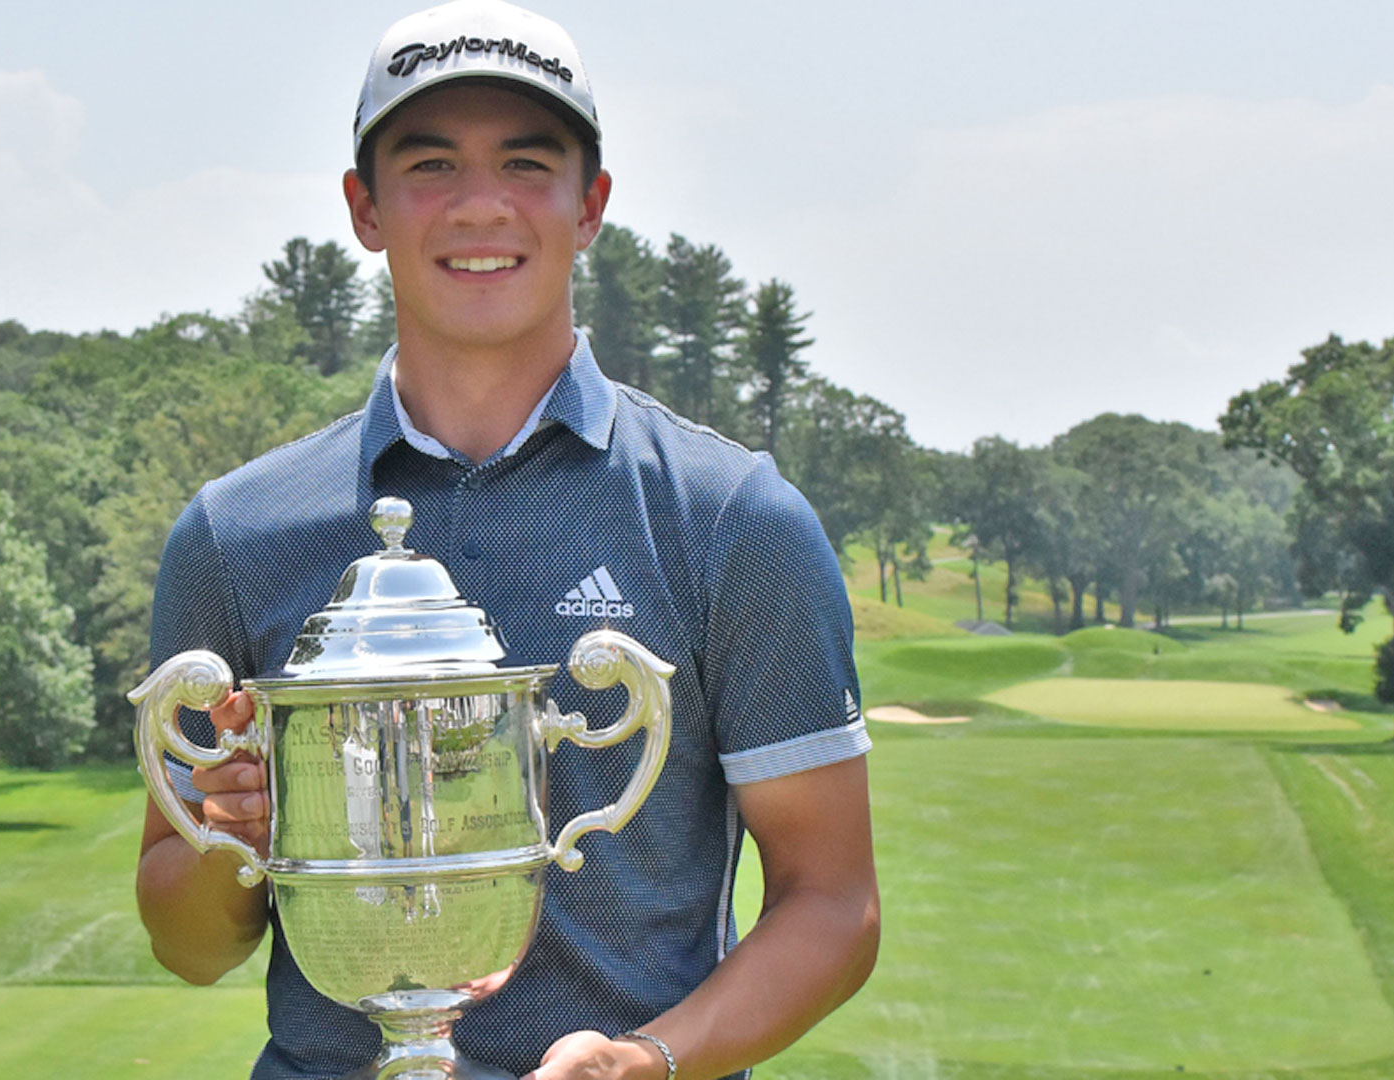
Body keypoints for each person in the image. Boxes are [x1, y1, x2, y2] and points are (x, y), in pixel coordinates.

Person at [135, 3, 880, 1077]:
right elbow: (187, 944)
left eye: (527, 164)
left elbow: (835, 904)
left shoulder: (731, 520)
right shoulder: (235, 532)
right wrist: (232, 843)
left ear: (591, 206)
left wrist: (650, 1062)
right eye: (430, 164)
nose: (481, 206)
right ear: (366, 207)